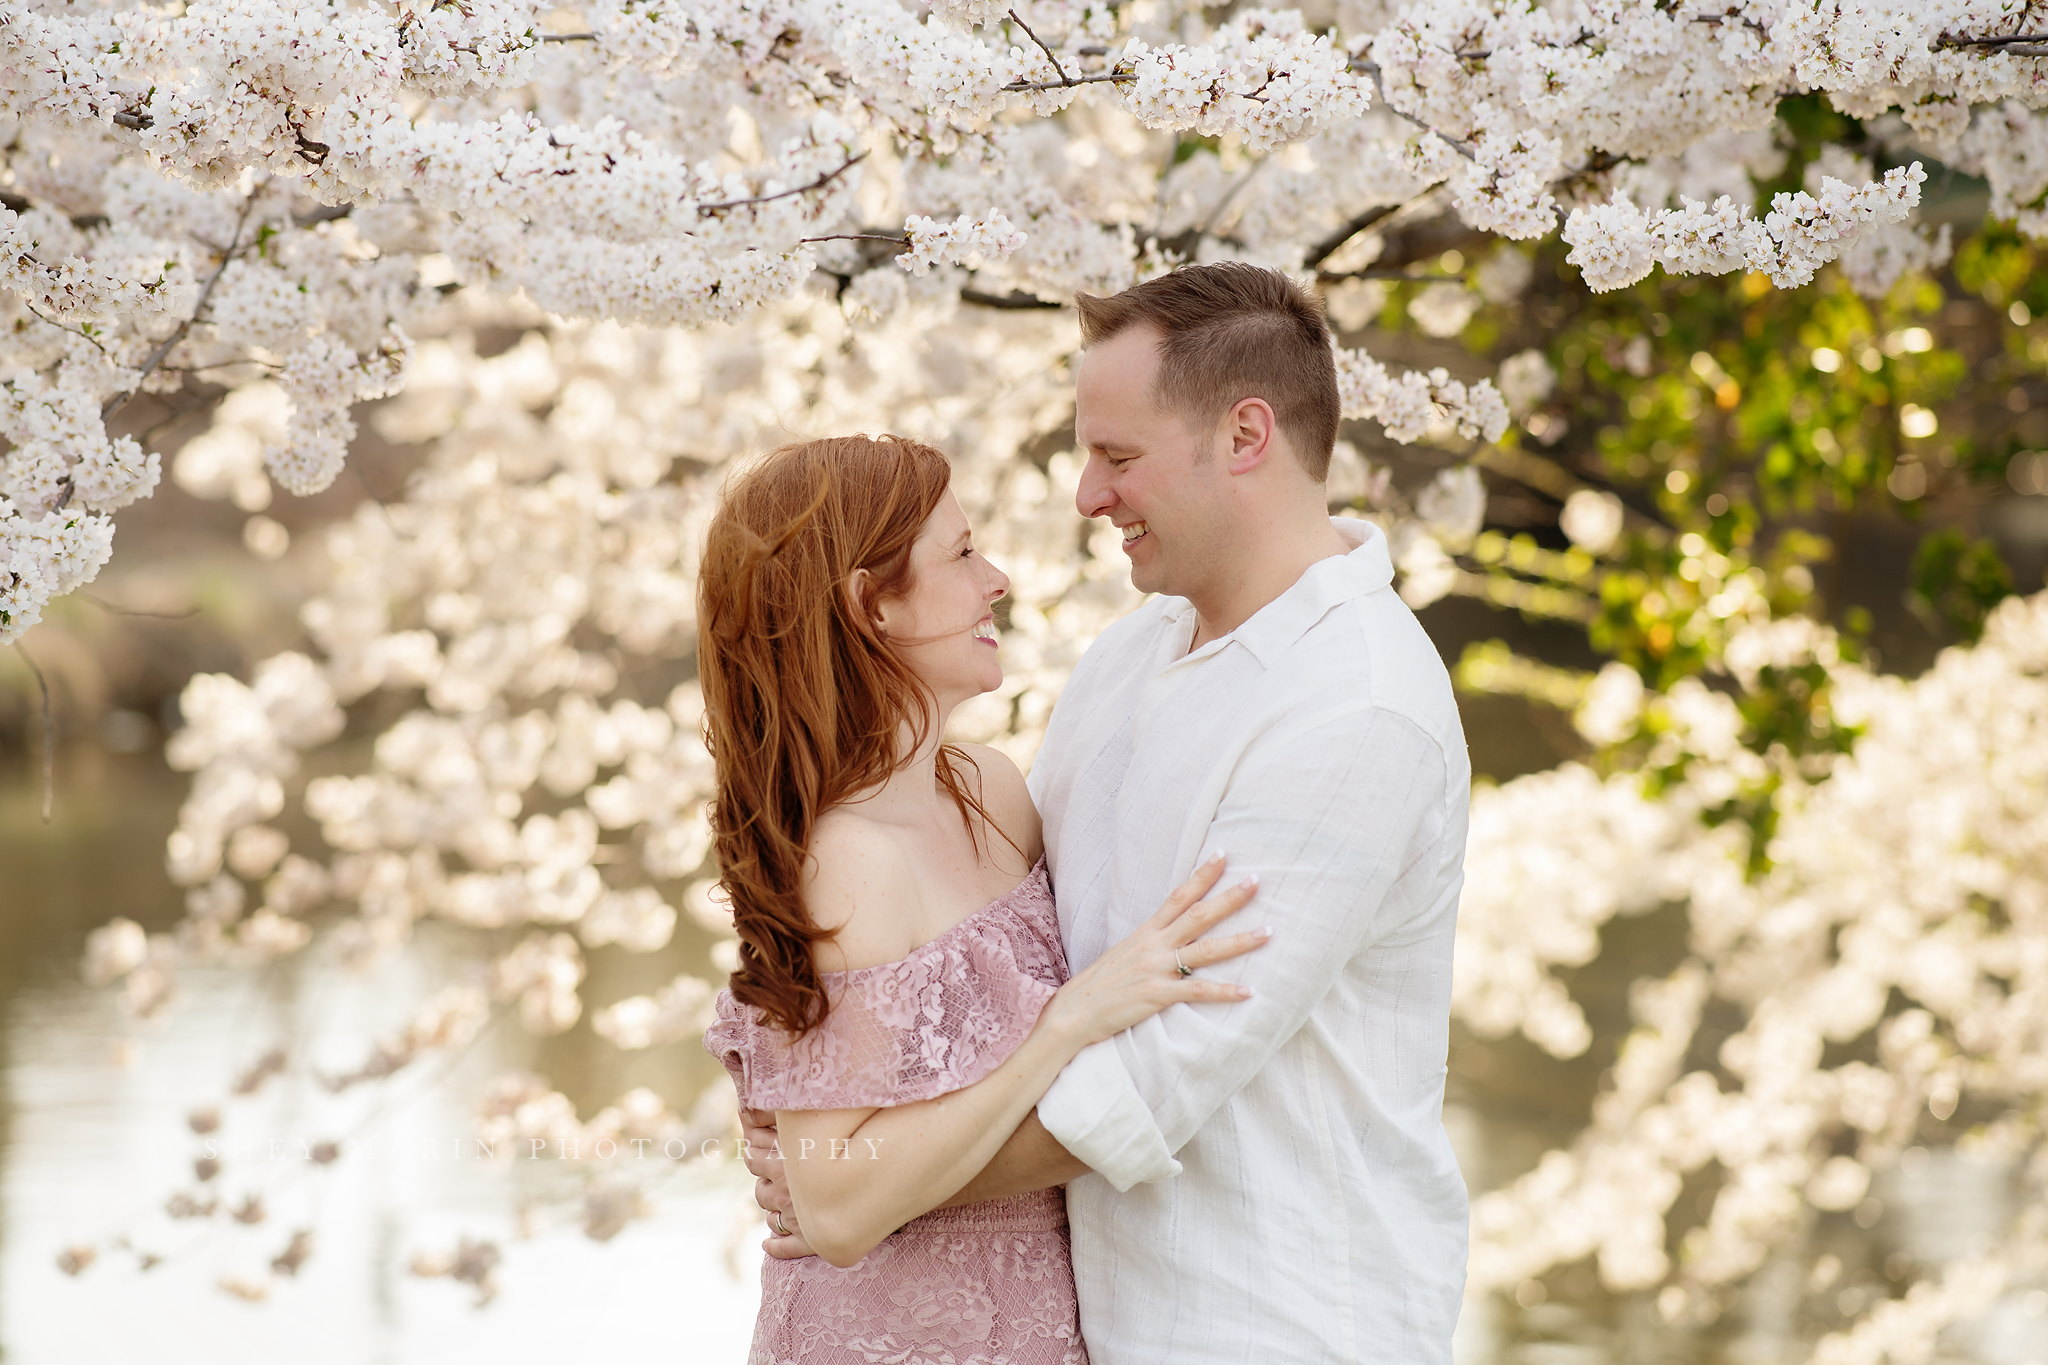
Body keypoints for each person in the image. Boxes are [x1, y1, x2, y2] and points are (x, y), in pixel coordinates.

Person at [747, 264, 1474, 1364]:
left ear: (1243, 437)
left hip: (1271, 1320)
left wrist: (855, 1190)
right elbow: (984, 950)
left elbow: (1149, 1082)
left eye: (1118, 457)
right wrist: (825, 1126)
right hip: (1082, 1322)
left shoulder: (1353, 710)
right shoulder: (1129, 655)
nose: (1086, 496)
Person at [696, 433, 1271, 1365]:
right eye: (961, 554)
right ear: (869, 605)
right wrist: (1061, 1028)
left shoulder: (994, 792)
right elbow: (838, 1206)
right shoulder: (847, 864)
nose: (996, 579)